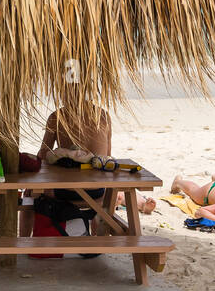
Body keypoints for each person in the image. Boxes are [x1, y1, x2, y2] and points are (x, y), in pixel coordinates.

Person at [21, 99, 155, 236]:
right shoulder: (103, 116)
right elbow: (107, 155)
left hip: (63, 192)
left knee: (29, 197)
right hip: (98, 192)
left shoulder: (57, 116)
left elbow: (42, 155)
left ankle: (23, 239)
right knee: (115, 196)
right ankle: (100, 221)